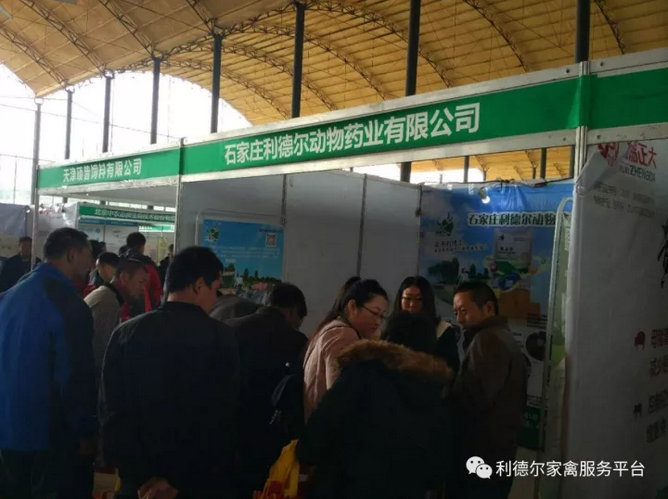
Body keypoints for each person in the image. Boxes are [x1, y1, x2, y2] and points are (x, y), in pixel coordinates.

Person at [100, 246, 240, 499]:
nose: (215, 298)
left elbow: (112, 411)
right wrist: (177, 480)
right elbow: (221, 416)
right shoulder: (222, 337)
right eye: (215, 288)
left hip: (138, 485)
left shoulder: (127, 333)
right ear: (199, 285)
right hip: (195, 483)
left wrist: (139, 475)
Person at [297, 311, 453, 499]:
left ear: (387, 338)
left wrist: (306, 458)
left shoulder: (361, 374)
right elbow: (437, 468)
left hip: (342, 487)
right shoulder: (433, 394)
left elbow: (321, 428)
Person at [0, 228, 97, 498]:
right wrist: (84, 431)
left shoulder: (10, 295)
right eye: (88, 256)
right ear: (72, 254)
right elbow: (75, 375)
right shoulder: (67, 304)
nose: (91, 264)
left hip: (8, 429)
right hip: (48, 436)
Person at [225, 283, 309, 498]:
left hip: (228, 432)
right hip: (270, 437)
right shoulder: (297, 341)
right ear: (292, 311)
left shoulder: (230, 328)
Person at [450, 281, 527, 499]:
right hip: (496, 456)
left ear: (488, 308)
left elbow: (473, 399)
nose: (459, 319)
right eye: (456, 312)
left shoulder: (488, 340)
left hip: (480, 457)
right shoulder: (503, 335)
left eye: (464, 311)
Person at [303, 279, 388, 419]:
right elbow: (342, 396)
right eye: (374, 313)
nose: (378, 322)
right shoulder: (343, 335)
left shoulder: (332, 328)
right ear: (353, 306)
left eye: (382, 316)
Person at [85, 258, 148, 383]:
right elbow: (101, 355)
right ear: (124, 278)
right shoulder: (108, 303)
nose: (143, 288)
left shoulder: (105, 295)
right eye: (141, 282)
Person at [395, 276, 462, 373]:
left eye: (419, 299)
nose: (412, 304)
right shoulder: (392, 328)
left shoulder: (442, 330)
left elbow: (451, 370)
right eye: (408, 298)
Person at [122, 232, 162, 315]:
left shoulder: (119, 262)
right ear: (142, 246)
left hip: (121, 309)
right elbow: (157, 290)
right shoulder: (148, 265)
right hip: (143, 310)